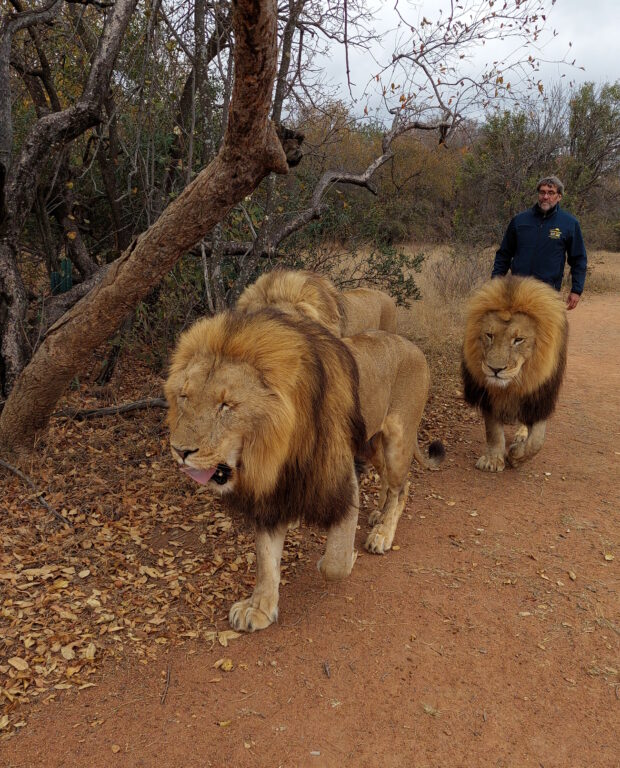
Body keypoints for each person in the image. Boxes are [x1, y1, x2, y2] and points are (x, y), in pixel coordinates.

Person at [492, 176, 587, 309]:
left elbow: (578, 259)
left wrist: (576, 290)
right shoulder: (519, 221)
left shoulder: (569, 224)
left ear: (559, 197)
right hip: (518, 290)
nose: (545, 197)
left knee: (547, 330)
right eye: (542, 192)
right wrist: (495, 283)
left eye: (551, 193)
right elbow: (504, 254)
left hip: (548, 293)